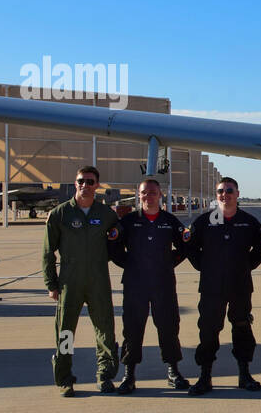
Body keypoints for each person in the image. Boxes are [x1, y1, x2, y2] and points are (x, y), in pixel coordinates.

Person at [185, 177, 261, 395]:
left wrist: (244, 267)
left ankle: (244, 373)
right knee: (209, 329)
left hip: (240, 285)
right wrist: (206, 268)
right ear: (217, 194)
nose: (225, 194)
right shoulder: (204, 222)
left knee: (241, 326)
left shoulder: (249, 222)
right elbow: (191, 249)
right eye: (221, 191)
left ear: (237, 194)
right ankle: (204, 376)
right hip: (212, 286)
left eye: (229, 190)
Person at [43, 165, 120, 396]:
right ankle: (65, 378)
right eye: (80, 181)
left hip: (98, 280)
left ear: (97, 185)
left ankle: (104, 376)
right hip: (69, 283)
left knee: (105, 330)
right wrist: (51, 284)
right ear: (75, 183)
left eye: (89, 181)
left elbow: (117, 244)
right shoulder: (60, 214)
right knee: (65, 332)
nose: (84, 185)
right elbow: (48, 252)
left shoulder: (106, 215)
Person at [108, 177, 190, 393]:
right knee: (133, 328)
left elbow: (184, 247)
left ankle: (173, 371)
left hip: (163, 282)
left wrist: (168, 262)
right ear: (139, 195)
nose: (148, 196)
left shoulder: (169, 221)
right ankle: (129, 374)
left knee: (169, 326)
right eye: (144, 192)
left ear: (160, 195)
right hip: (136, 284)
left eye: (152, 192)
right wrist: (130, 265)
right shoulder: (128, 221)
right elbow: (114, 249)